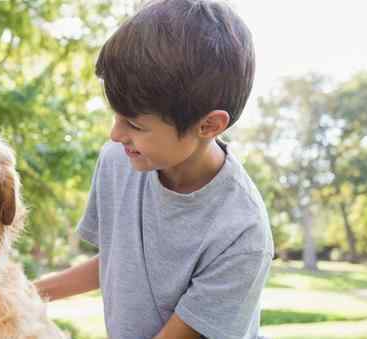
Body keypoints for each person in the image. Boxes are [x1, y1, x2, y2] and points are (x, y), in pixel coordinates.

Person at [34, 0, 274, 338]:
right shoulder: (120, 159)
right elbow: (117, 264)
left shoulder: (241, 233)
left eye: (133, 123)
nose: (115, 134)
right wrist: (24, 295)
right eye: (115, 115)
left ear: (208, 126)